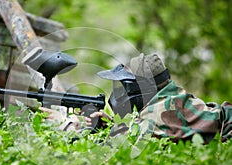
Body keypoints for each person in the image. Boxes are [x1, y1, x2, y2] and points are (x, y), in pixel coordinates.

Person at [41, 53, 232, 143]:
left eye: (125, 85)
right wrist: (107, 127)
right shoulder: (171, 98)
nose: (120, 91)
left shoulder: (160, 110)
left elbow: (121, 148)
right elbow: (142, 133)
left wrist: (67, 125)